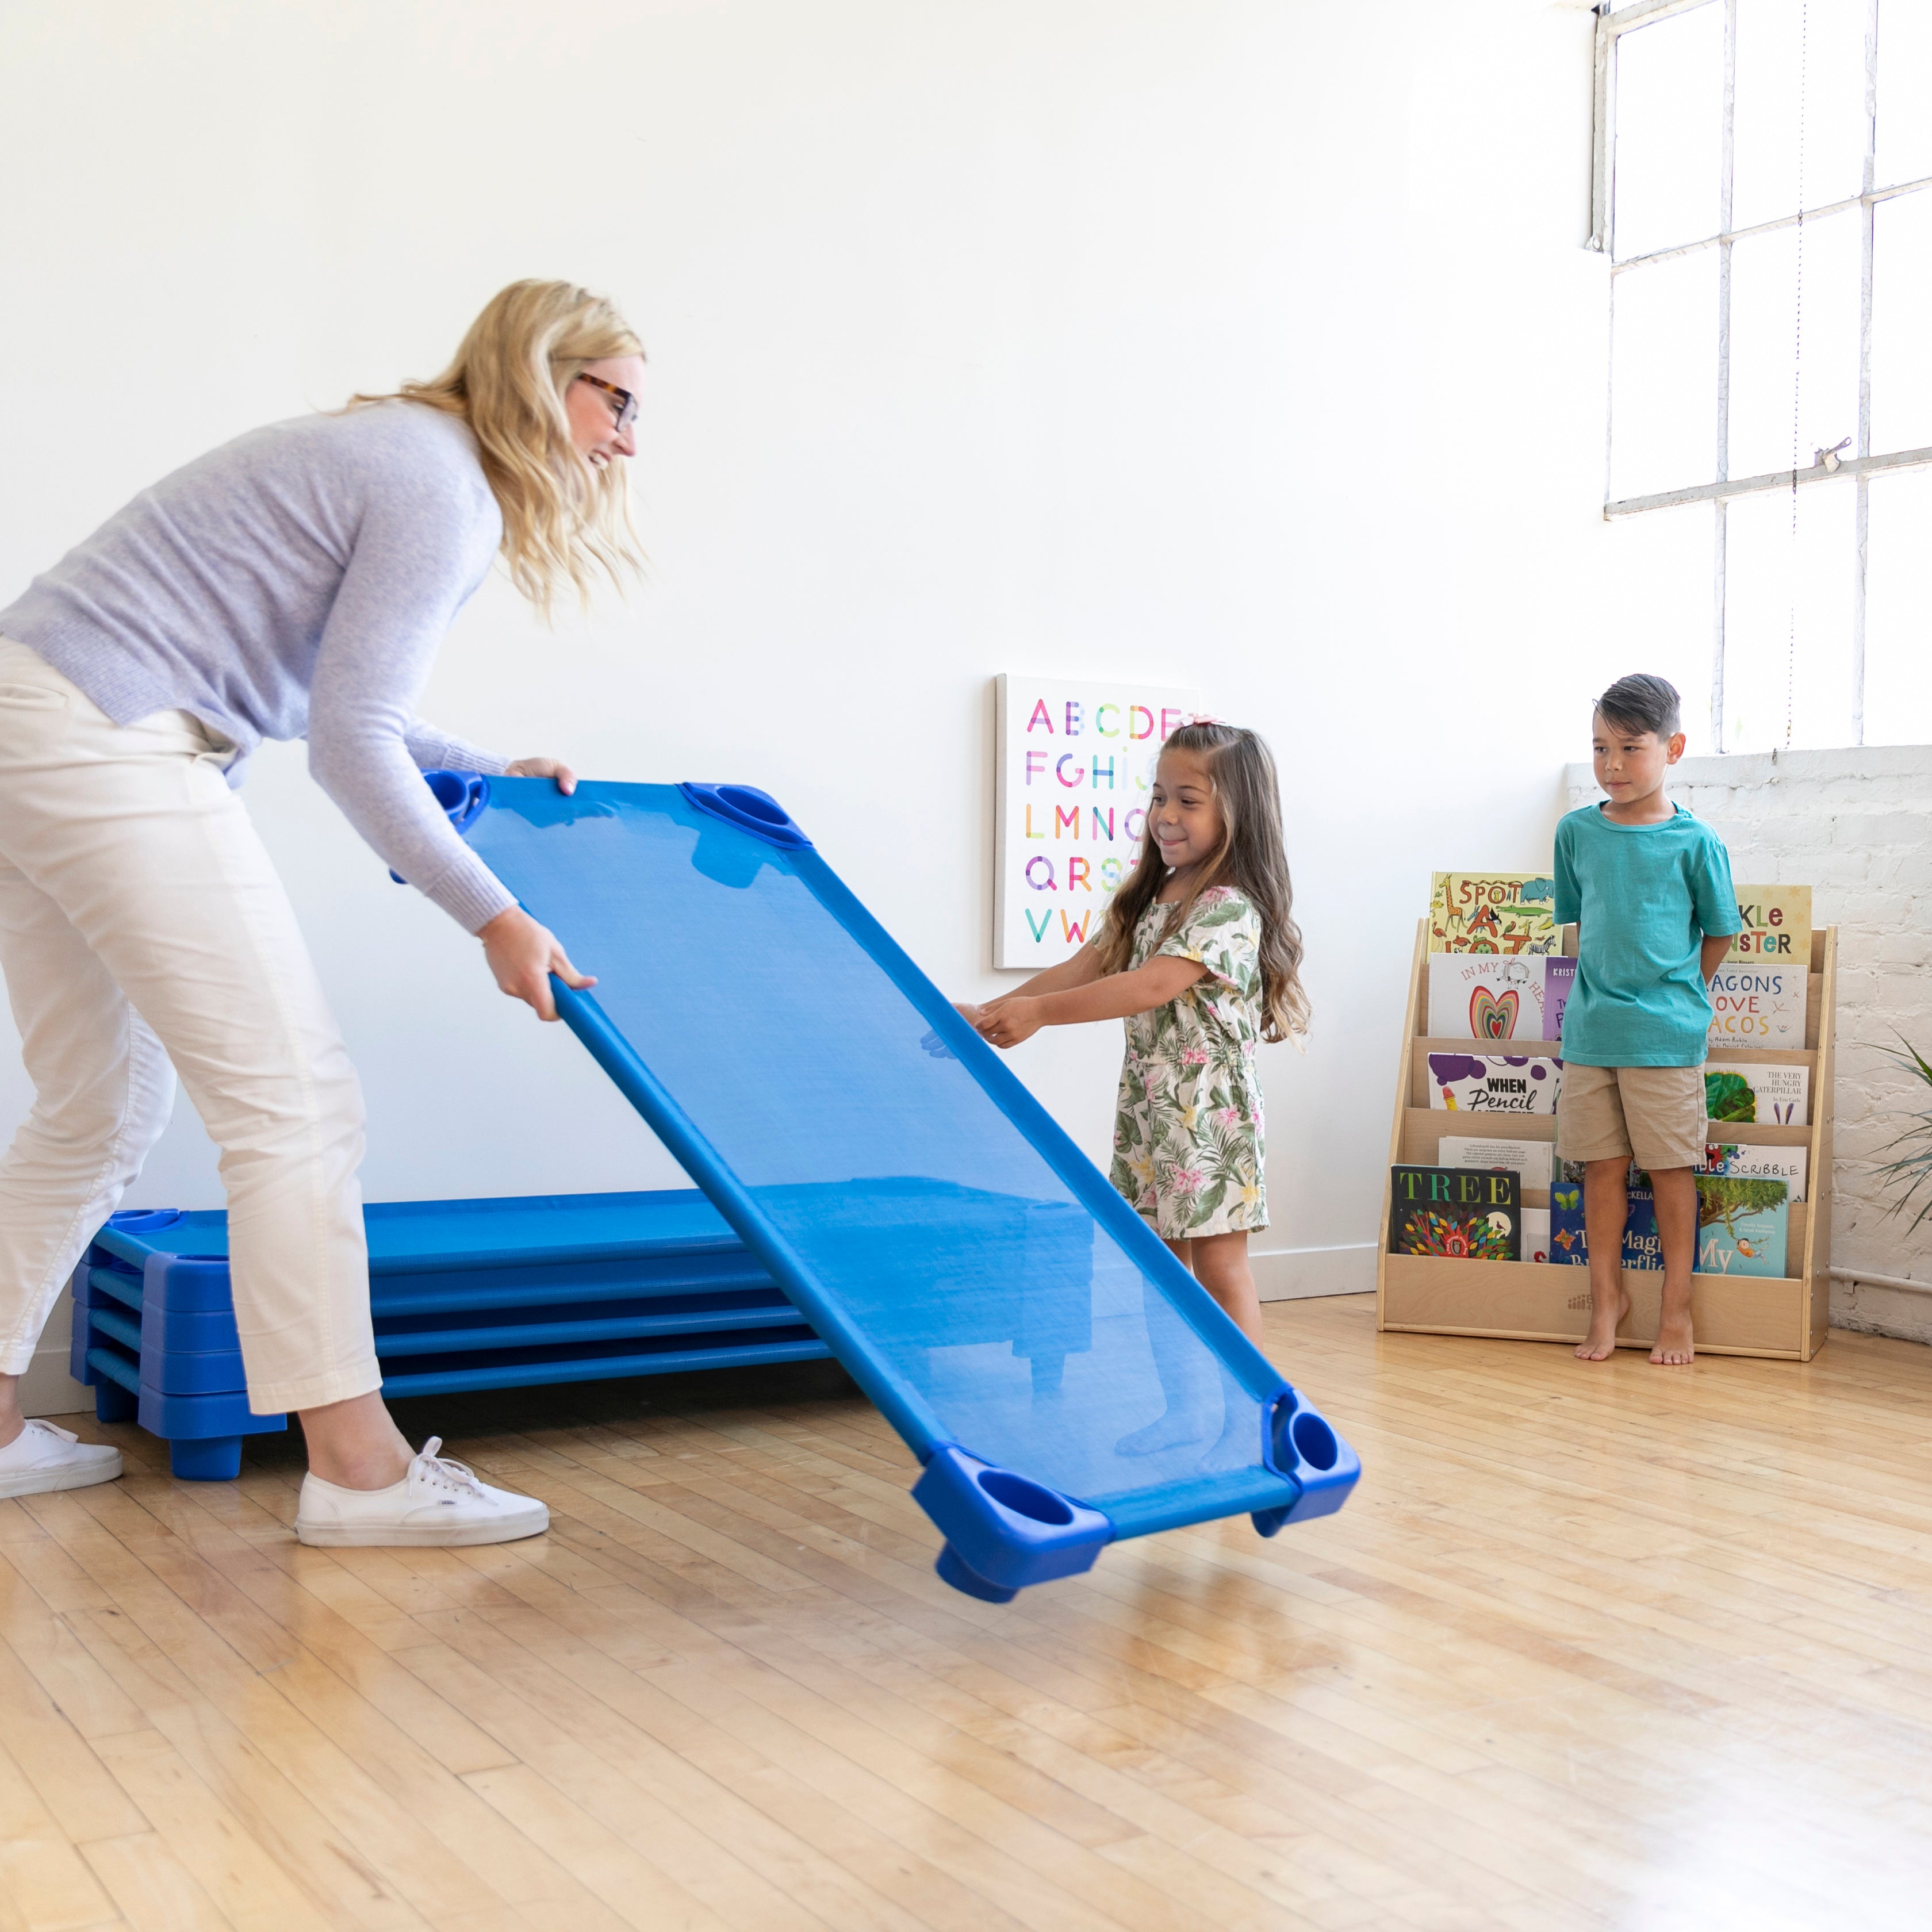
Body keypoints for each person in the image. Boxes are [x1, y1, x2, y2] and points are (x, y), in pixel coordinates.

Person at [0, 279, 643, 1538]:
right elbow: (350, 743)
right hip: (106, 731)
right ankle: (358, 1468)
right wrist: (494, 914)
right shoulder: (441, 483)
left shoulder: (402, 454)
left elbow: (335, 694)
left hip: (36, 707)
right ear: (538, 372)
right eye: (615, 399)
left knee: (98, 1102)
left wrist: (478, 769)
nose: (627, 437)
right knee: (295, 1100)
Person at [964, 722, 1307, 1352]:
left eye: (1188, 800)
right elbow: (1089, 964)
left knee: (1220, 1267)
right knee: (1160, 1267)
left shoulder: (1229, 905)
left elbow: (1151, 985)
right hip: (1152, 1110)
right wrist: (993, 1011)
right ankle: (1183, 1409)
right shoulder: (1153, 894)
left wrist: (1039, 1014)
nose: (1166, 815)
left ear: (1238, 813)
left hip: (1209, 1116)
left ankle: (1253, 1409)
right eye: (1158, 796)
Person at [1555, 673, 1741, 1367]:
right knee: (1600, 1170)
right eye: (1601, 749)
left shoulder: (1697, 842)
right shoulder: (1576, 833)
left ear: (1675, 748)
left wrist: (1683, 994)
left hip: (1665, 1038)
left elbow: (1720, 930)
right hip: (1591, 1034)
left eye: (1631, 749)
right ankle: (1607, 1301)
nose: (1612, 766)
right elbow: (1578, 927)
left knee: (1670, 1171)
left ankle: (1677, 1308)